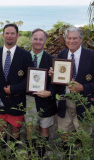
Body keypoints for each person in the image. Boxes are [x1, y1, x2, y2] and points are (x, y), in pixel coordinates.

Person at [49, 26, 94, 155]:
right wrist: (53, 75)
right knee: (64, 134)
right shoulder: (62, 54)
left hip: (84, 103)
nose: (71, 41)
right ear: (65, 39)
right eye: (69, 38)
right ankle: (67, 156)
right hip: (65, 103)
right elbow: (59, 81)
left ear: (81, 39)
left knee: (85, 138)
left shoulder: (91, 56)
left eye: (75, 38)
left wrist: (83, 87)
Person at [0, 24, 33, 152]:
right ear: (3, 35)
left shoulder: (25, 55)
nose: (9, 36)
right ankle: (1, 154)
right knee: (0, 130)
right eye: (7, 33)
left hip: (17, 101)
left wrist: (14, 89)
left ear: (17, 36)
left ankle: (13, 155)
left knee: (15, 130)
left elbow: (29, 80)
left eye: (12, 33)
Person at [25, 28, 57, 158]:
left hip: (45, 99)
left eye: (41, 39)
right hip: (28, 98)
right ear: (31, 39)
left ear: (45, 41)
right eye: (35, 38)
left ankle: (42, 155)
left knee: (44, 128)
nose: (38, 41)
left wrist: (49, 92)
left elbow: (56, 82)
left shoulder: (52, 59)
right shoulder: (23, 57)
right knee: (30, 128)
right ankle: (30, 154)